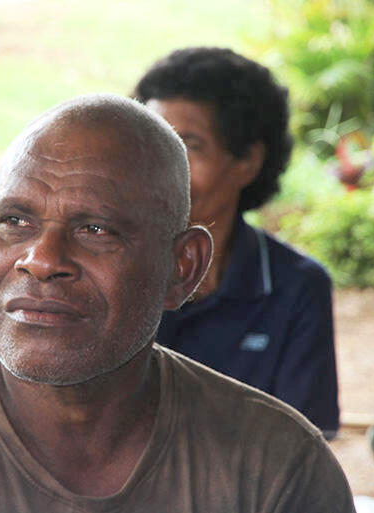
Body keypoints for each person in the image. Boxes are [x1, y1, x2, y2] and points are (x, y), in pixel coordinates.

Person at [0, 94, 355, 512]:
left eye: (95, 229)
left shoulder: (277, 468)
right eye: (14, 221)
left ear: (181, 268)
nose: (40, 258)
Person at [134, 47, 340, 438]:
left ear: (248, 161)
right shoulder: (110, 269)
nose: (163, 169)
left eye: (189, 146)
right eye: (153, 143)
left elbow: (305, 446)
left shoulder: (295, 287)